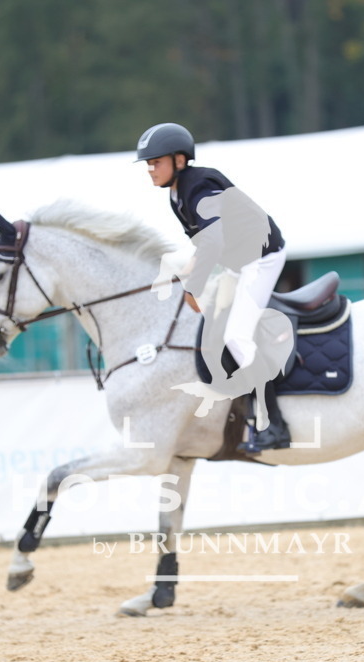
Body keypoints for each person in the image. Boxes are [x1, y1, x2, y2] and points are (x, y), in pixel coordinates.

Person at [136, 122, 290, 452]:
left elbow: (214, 240)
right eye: (148, 164)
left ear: (179, 160)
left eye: (156, 162)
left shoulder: (200, 184)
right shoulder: (177, 195)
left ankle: (275, 425)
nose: (150, 169)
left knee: (236, 334)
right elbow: (203, 244)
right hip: (239, 262)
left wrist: (193, 285)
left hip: (262, 259)